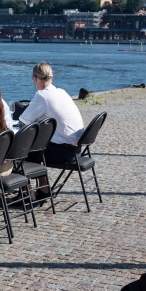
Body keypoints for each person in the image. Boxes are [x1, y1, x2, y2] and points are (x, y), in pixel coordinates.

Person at [17, 62, 86, 199]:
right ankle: (44, 189)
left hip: (63, 152)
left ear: (35, 78)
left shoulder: (42, 95)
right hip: (76, 149)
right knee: (37, 147)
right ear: (51, 77)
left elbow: (23, 122)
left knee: (21, 150)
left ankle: (27, 195)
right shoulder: (62, 92)